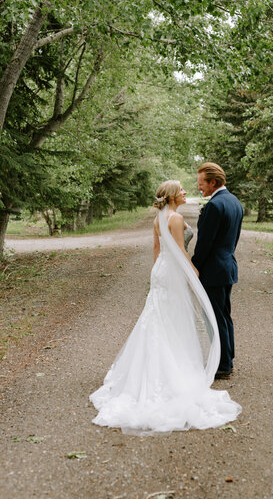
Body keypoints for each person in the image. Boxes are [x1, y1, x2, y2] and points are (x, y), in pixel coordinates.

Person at [90, 180, 241, 435]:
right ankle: (170, 370)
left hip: (160, 270)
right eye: (181, 190)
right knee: (172, 320)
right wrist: (193, 272)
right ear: (171, 196)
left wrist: (155, 273)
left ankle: (146, 369)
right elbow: (181, 251)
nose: (185, 192)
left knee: (156, 318)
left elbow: (157, 249)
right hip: (172, 272)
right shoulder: (175, 218)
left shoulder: (158, 218)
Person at [192, 163, 243, 379]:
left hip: (213, 271)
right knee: (224, 316)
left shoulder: (215, 206)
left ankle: (222, 365)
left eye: (201, 183)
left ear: (213, 182)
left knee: (215, 318)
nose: (199, 188)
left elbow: (205, 244)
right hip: (227, 266)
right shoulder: (234, 202)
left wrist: (193, 265)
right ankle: (227, 360)